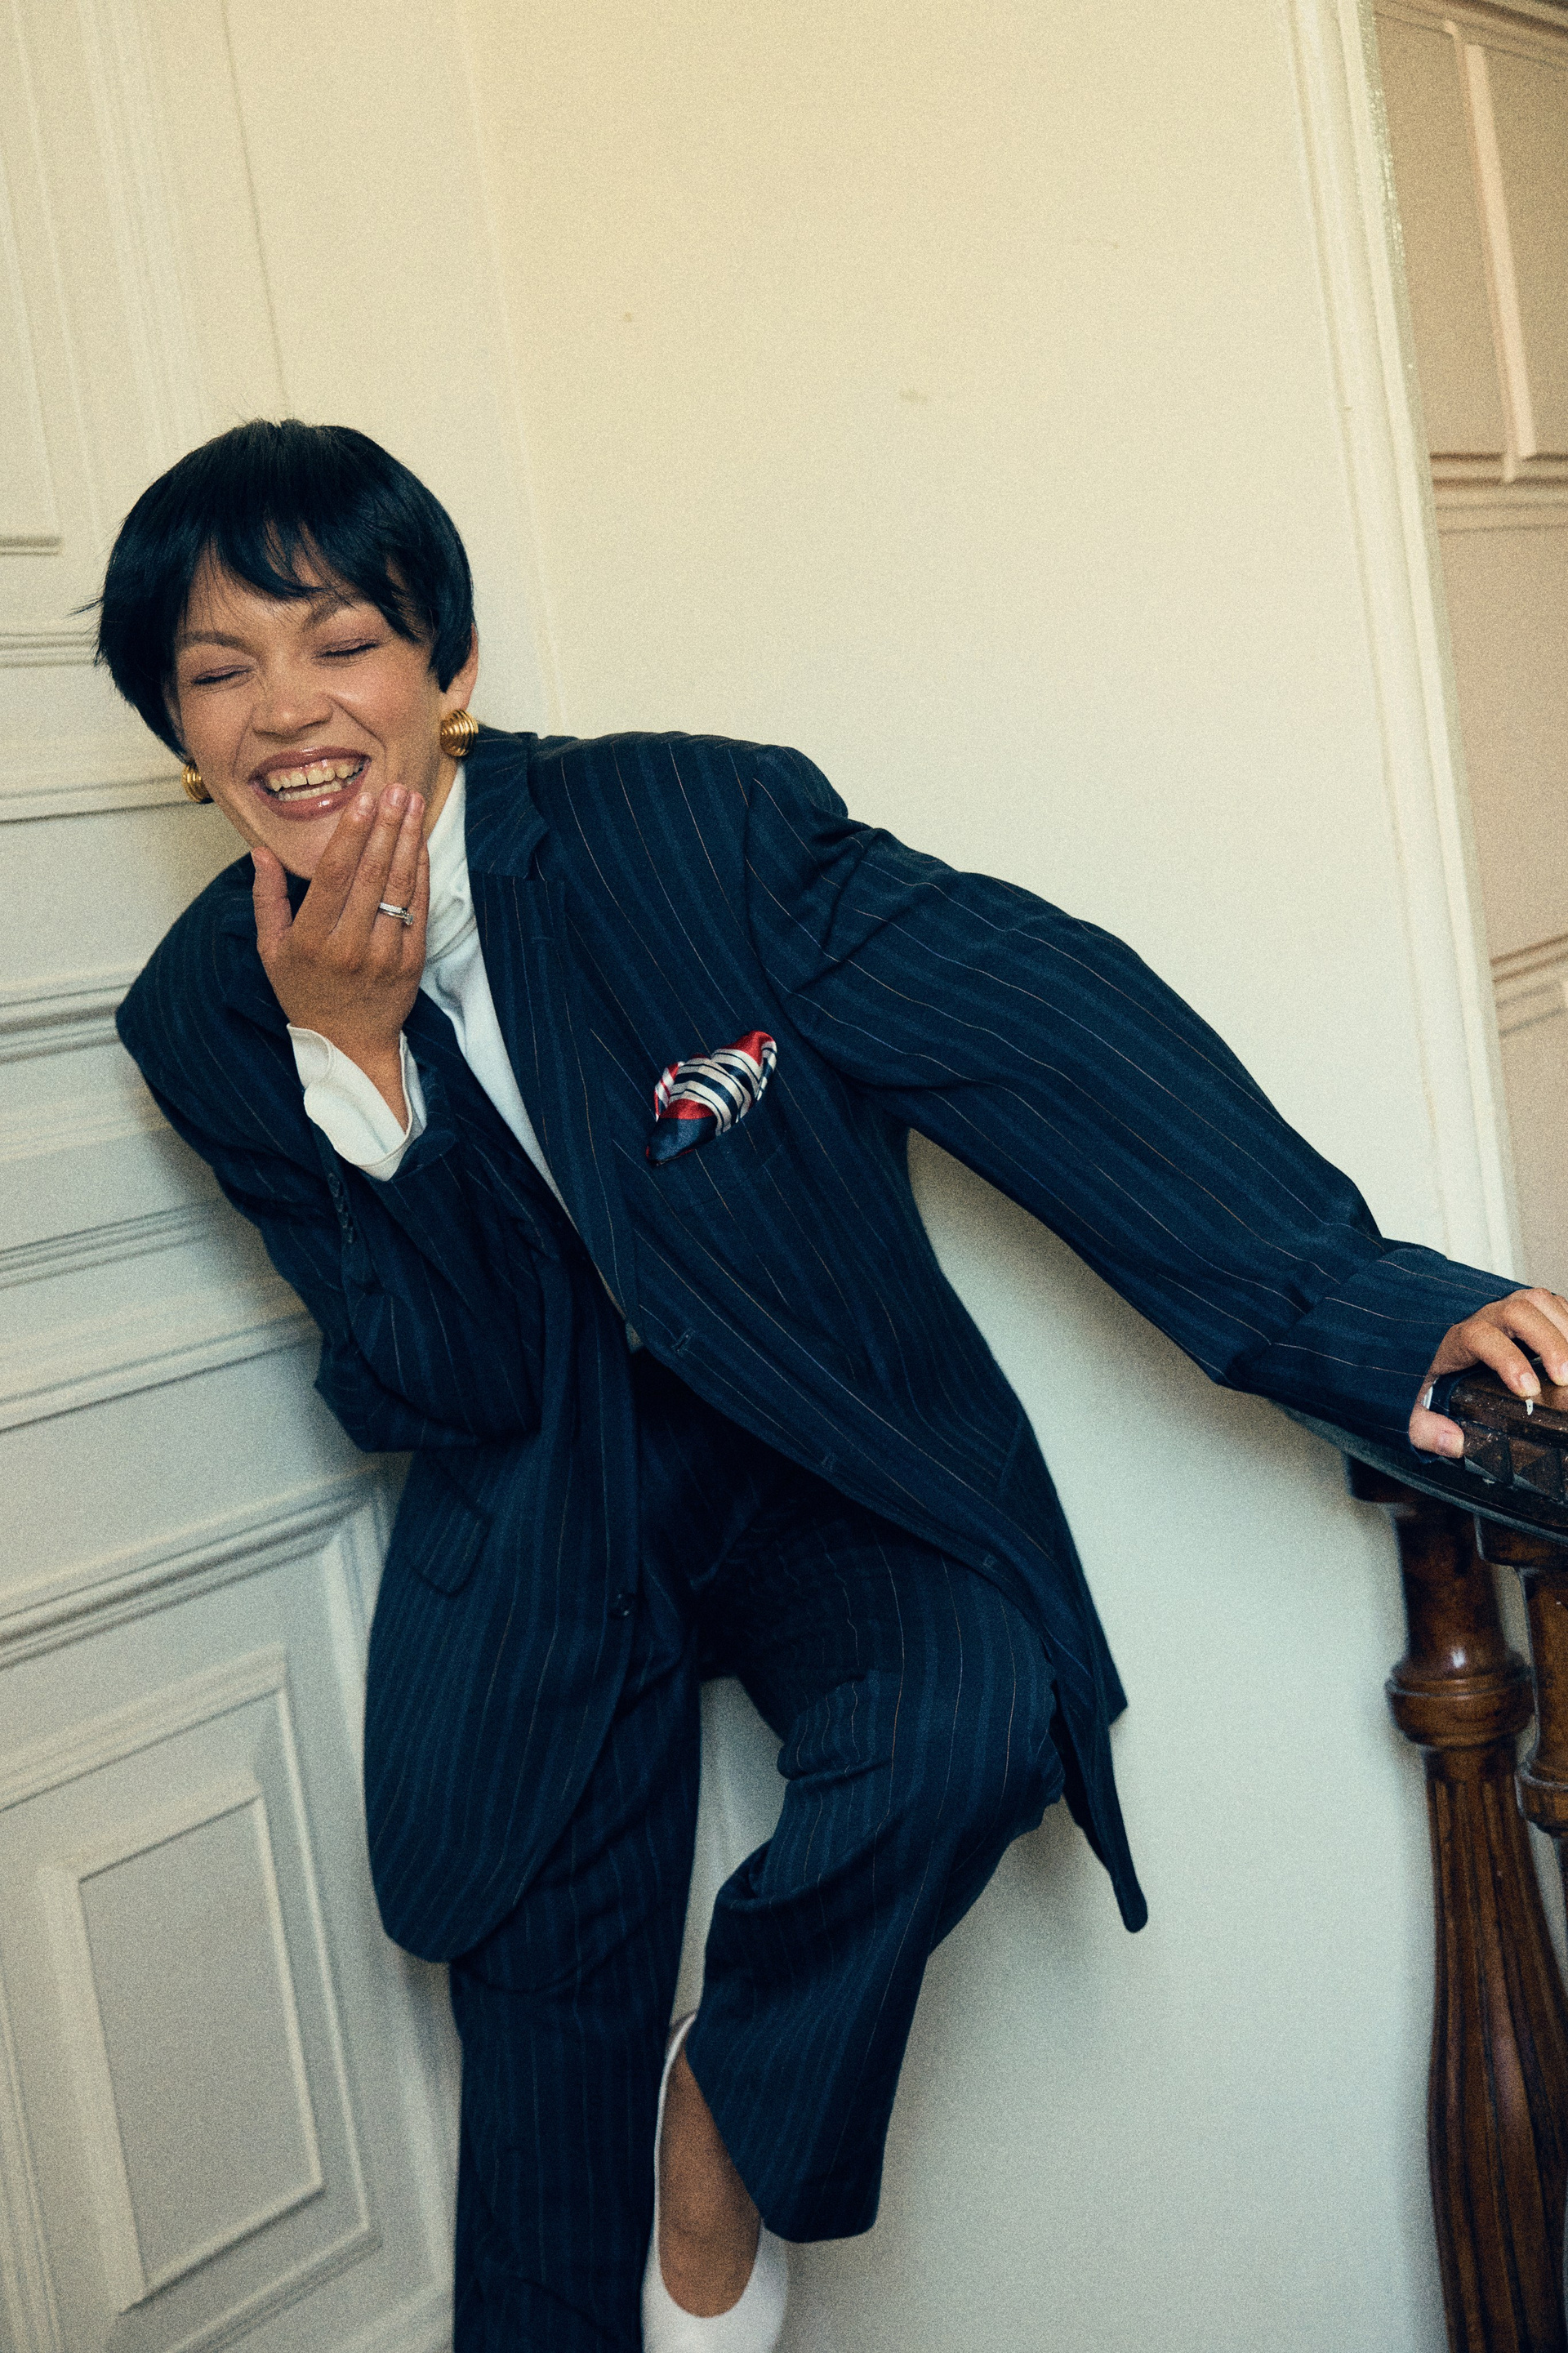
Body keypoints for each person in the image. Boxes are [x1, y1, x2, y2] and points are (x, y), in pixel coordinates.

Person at [100, 418, 1568, 2353]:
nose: (287, 708)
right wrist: (358, 1066)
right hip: (539, 1535)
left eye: (342, 638)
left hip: (817, 1466)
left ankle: (721, 2126)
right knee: (542, 2221)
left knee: (969, 1713)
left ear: (449, 667)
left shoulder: (690, 825)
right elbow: (434, 1381)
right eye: (219, 669)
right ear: (178, 729)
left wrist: (1367, 1306)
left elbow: (1038, 1033)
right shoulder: (203, 1015)